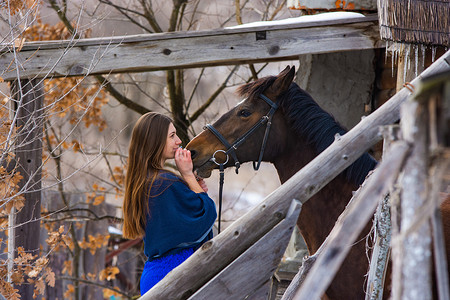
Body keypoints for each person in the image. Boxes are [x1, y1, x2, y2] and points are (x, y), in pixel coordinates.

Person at [122, 112, 217, 295]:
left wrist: (194, 190)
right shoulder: (163, 183)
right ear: (155, 140)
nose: (179, 141)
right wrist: (188, 176)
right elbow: (206, 213)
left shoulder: (145, 181)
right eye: (172, 136)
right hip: (174, 276)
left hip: (156, 276)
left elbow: (179, 221)